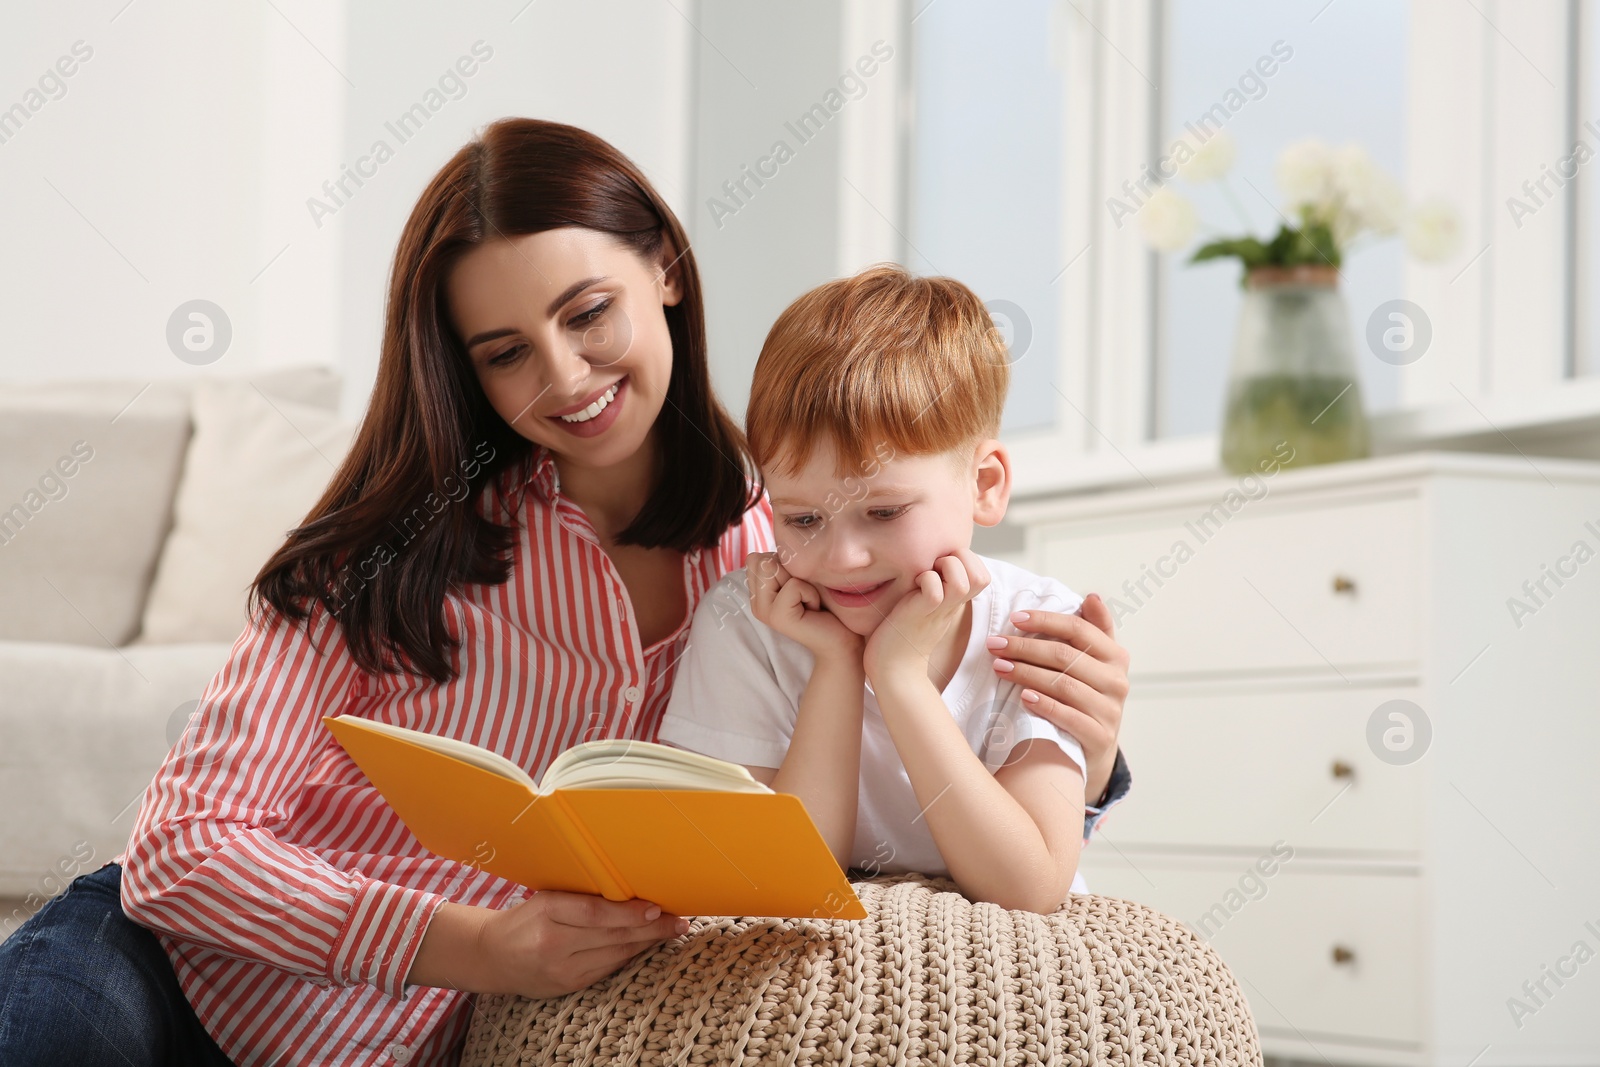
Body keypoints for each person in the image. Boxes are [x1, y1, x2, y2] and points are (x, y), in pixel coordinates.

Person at [0, 119, 1131, 1066]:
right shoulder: (385, 547)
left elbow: (863, 796)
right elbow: (180, 849)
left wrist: (1086, 751)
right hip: (177, 982)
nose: (566, 377)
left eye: (588, 313)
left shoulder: (793, 553)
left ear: (667, 273)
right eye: (504, 351)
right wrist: (473, 946)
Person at [659, 265, 1120, 913]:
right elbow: (772, 884)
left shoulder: (1037, 622)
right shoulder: (746, 621)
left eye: (883, 513)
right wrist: (836, 666)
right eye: (802, 519)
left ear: (984, 485)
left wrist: (899, 675)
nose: (842, 557)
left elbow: (1031, 886)